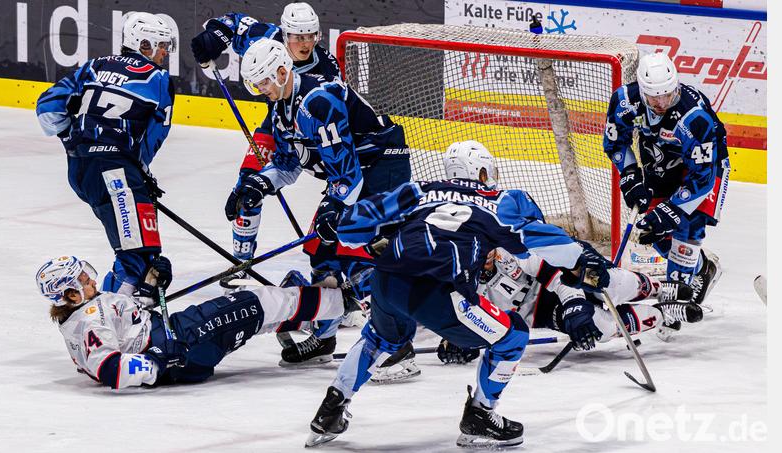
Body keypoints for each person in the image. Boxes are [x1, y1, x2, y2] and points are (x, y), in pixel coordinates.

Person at [305, 141, 613, 449]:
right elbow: (538, 238)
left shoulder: (417, 191)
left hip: (386, 281)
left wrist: (333, 218)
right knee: (513, 335)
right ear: (481, 172)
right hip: (437, 290)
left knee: (380, 339)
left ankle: (331, 409)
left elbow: (351, 228)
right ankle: (480, 416)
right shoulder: (502, 200)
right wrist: (581, 260)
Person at [234, 38, 411, 365]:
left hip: (382, 164)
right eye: (255, 85)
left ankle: (397, 346)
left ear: (282, 72)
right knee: (322, 251)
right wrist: (256, 185)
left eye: (263, 84)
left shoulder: (319, 101)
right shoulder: (281, 110)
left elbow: (348, 175)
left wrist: (334, 206)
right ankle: (325, 336)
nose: (261, 91)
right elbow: (288, 164)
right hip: (353, 173)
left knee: (367, 251)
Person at [36, 255, 362, 389]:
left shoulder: (88, 310)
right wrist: (158, 363)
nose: (89, 280)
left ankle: (318, 314)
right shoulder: (89, 322)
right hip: (182, 345)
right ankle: (350, 299)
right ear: (70, 295)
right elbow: (110, 370)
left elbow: (132, 316)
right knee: (256, 302)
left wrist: (153, 280)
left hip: (174, 333)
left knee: (254, 319)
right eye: (81, 280)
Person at [35, 12, 175, 300]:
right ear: (143, 44)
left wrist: (73, 140)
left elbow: (47, 107)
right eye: (160, 45)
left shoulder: (95, 66)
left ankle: (118, 312)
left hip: (80, 170)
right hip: (117, 173)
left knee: (140, 253)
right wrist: (138, 171)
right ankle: (112, 322)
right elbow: (154, 137)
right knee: (139, 260)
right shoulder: (159, 79)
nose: (164, 53)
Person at [190, 2, 340, 263]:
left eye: (310, 36)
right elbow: (235, 23)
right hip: (276, 122)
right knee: (247, 185)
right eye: (297, 37)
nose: (305, 44)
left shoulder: (327, 68)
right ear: (285, 35)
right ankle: (242, 259)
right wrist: (215, 37)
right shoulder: (267, 40)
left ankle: (330, 259)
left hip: (305, 133)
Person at [604, 52, 728, 306]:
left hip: (705, 169)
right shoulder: (625, 101)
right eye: (654, 96)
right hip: (659, 164)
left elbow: (702, 178)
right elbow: (617, 143)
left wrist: (672, 209)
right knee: (654, 232)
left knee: (686, 226)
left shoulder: (693, 117)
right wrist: (629, 176)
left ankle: (673, 304)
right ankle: (703, 269)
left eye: (667, 94)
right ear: (641, 90)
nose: (662, 102)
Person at [437, 247, 704, 364]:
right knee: (597, 328)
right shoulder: (461, 283)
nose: (487, 255)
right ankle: (663, 314)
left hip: (562, 279)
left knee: (601, 282)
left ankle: (658, 288)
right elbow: (471, 323)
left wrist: (574, 303)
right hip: (540, 313)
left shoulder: (507, 251)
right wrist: (458, 340)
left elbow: (555, 274)